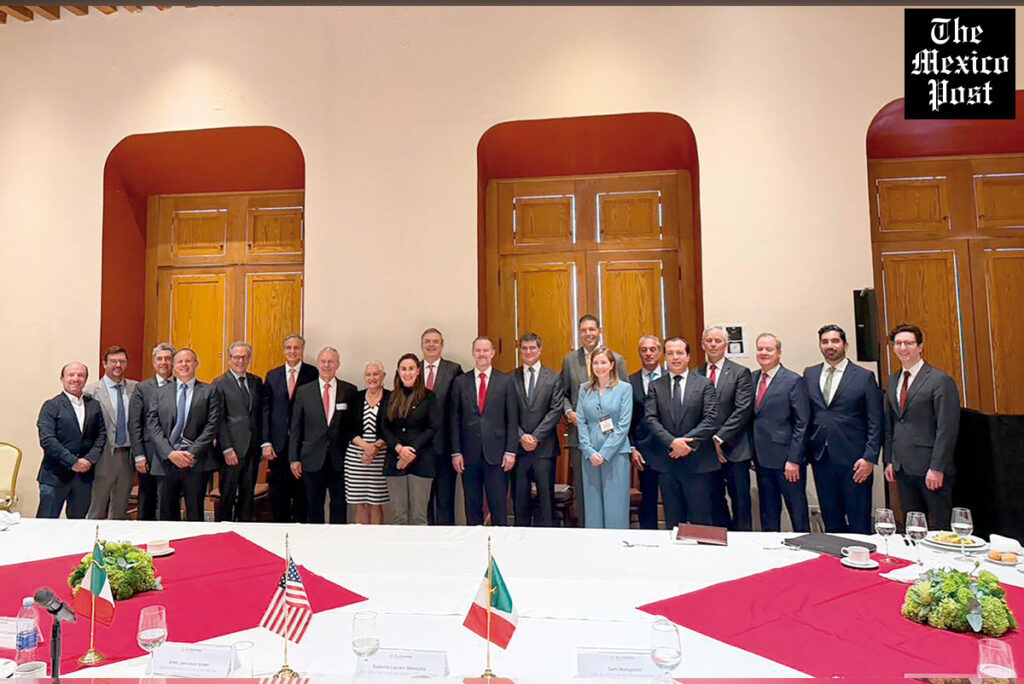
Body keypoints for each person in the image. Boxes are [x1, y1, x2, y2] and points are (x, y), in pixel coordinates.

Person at [803, 324, 883, 534]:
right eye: (825, 342)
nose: (830, 346)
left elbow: (875, 421)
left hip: (855, 462)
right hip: (821, 459)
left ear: (845, 345)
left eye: (835, 341)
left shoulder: (864, 376)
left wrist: (870, 458)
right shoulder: (810, 374)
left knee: (859, 522)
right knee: (831, 522)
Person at [883, 323, 960, 529]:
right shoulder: (894, 379)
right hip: (902, 467)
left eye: (908, 343)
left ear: (920, 347)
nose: (903, 348)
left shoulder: (940, 380)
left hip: (930, 469)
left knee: (940, 528)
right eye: (898, 343)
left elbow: (947, 428)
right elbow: (891, 424)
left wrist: (937, 467)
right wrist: (889, 460)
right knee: (913, 527)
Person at [644, 337, 719, 527]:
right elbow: (651, 419)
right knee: (673, 522)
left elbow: (711, 419)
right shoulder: (655, 386)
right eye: (670, 353)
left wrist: (685, 444)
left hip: (698, 463)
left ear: (688, 356)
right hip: (667, 463)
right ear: (664, 357)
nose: (675, 357)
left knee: (701, 522)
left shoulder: (704, 384)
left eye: (679, 353)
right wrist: (672, 442)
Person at [561, 315, 628, 526]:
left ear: (599, 330)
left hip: (614, 444)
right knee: (586, 498)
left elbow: (624, 408)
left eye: (592, 329)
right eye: (583, 330)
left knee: (615, 501)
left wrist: (608, 450)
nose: (588, 334)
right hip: (583, 442)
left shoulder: (617, 360)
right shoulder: (570, 361)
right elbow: (563, 393)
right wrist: (569, 412)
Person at [146, 348, 223, 522]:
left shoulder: (209, 391)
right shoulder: (160, 392)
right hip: (166, 462)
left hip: (196, 462)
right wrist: (170, 453)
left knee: (195, 513)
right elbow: (152, 424)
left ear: (196, 364)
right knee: (167, 514)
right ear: (173, 365)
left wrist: (191, 453)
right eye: (180, 361)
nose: (184, 365)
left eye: (188, 361)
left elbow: (212, 426)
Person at [450, 336, 518, 526]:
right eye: (478, 350)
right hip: (468, 455)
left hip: (497, 455)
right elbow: (454, 420)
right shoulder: (460, 382)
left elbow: (512, 419)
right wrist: (456, 452)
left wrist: (511, 451)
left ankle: (499, 540)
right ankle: (474, 541)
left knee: (498, 506)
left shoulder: (506, 381)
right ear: (473, 353)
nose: (482, 354)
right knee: (472, 506)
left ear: (492, 353)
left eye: (485, 350)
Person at [289, 346, 358, 524]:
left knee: (339, 505)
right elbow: (296, 427)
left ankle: (337, 540)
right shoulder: (304, 391)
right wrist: (294, 458)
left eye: (331, 362)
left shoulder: (349, 390)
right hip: (311, 458)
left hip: (340, 459)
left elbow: (353, 426)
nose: (327, 365)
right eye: (323, 361)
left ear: (338, 364)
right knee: (313, 506)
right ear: (318, 364)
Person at [751, 333, 810, 532]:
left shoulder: (793, 380)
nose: (764, 353)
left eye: (769, 349)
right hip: (761, 460)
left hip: (787, 463)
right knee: (768, 515)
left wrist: (794, 459)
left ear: (779, 353)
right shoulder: (752, 378)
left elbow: (802, 423)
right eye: (760, 349)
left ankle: (805, 548)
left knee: (798, 514)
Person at [697, 325, 755, 531]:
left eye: (718, 341)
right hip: (706, 452)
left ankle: (742, 543)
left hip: (735, 449)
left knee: (740, 502)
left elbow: (743, 410)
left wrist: (719, 438)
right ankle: (720, 541)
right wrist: (707, 440)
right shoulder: (695, 374)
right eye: (709, 341)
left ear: (726, 345)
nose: (713, 344)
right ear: (703, 345)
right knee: (714, 502)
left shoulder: (740, 373)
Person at [36, 362, 106, 518]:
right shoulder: (51, 406)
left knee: (78, 524)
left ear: (86, 379)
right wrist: (73, 462)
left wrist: (89, 460)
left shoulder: (94, 405)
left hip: (83, 477)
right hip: (55, 476)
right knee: (46, 523)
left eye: (80, 375)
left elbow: (101, 436)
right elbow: (47, 440)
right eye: (71, 375)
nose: (76, 378)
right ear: (62, 378)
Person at [576, 346, 633, 529]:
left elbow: (623, 425)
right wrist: (589, 451)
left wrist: (605, 453)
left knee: (615, 506)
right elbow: (581, 421)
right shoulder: (584, 389)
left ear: (612, 365)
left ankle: (616, 543)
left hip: (616, 453)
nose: (599, 367)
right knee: (593, 506)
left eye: (603, 362)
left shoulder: (624, 389)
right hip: (590, 456)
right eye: (595, 363)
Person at [262, 334, 317, 523]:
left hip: (304, 446)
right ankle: (281, 533)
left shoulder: (313, 374)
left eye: (296, 347)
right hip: (277, 447)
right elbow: (265, 411)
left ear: (302, 350)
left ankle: (301, 533)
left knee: (302, 497)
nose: (292, 351)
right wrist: (266, 442)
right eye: (289, 348)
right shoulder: (272, 375)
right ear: (284, 350)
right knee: (279, 497)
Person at [511, 333, 565, 527]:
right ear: (520, 351)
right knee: (520, 501)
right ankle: (520, 538)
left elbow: (556, 409)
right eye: (524, 348)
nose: (528, 352)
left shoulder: (553, 377)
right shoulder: (510, 378)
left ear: (540, 350)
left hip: (544, 449)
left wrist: (535, 437)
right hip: (519, 450)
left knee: (546, 502)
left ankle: (546, 539)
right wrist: (521, 436)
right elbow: (507, 412)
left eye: (532, 348)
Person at [382, 353, 438, 525]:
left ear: (418, 371)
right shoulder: (390, 397)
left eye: (411, 369)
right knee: (399, 517)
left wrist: (410, 452)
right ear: (398, 372)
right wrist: (399, 448)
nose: (407, 373)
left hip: (421, 461)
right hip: (395, 461)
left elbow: (432, 428)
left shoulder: (429, 397)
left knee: (418, 517)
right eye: (403, 369)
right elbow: (384, 427)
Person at [213, 341, 264, 522]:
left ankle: (245, 530)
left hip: (252, 448)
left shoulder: (256, 381)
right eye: (236, 357)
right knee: (227, 495)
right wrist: (227, 448)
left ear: (249, 359)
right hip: (231, 450)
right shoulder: (219, 383)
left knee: (247, 496)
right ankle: (224, 531)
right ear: (229, 359)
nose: (240, 361)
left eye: (244, 357)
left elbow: (258, 414)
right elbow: (218, 420)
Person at [85, 345, 137, 519]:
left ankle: (117, 537)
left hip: (127, 456)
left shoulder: (136, 388)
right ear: (104, 364)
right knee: (96, 508)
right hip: (103, 456)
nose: (118, 365)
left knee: (120, 510)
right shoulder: (90, 392)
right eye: (114, 361)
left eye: (122, 361)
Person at [420, 328, 463, 525]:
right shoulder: (413, 369)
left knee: (445, 499)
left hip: (445, 446)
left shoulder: (453, 369)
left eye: (435, 341)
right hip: (420, 448)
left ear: (442, 345)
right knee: (423, 502)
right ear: (422, 346)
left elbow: (458, 409)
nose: (431, 345)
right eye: (427, 341)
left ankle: (446, 539)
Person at [128, 343, 175, 520]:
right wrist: (139, 455)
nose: (164, 362)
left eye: (168, 359)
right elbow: (135, 424)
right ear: (154, 363)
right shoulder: (142, 388)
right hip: (149, 455)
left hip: (174, 455)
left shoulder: (181, 386)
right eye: (160, 359)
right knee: (147, 500)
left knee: (169, 502)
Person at [345, 361, 390, 524]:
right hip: (356, 456)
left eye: (376, 374)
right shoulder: (356, 397)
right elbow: (348, 428)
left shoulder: (391, 397)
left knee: (376, 503)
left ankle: (376, 538)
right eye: (368, 374)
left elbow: (392, 428)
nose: (372, 378)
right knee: (361, 503)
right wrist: (366, 448)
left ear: (383, 376)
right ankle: (361, 538)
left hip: (380, 457)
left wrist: (375, 448)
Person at [628, 335, 665, 529]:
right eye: (644, 350)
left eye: (652, 349)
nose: (648, 353)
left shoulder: (671, 377)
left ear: (660, 352)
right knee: (648, 502)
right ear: (639, 353)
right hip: (644, 451)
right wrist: (632, 447)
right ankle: (649, 539)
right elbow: (627, 420)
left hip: (670, 450)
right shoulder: (629, 382)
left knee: (674, 500)